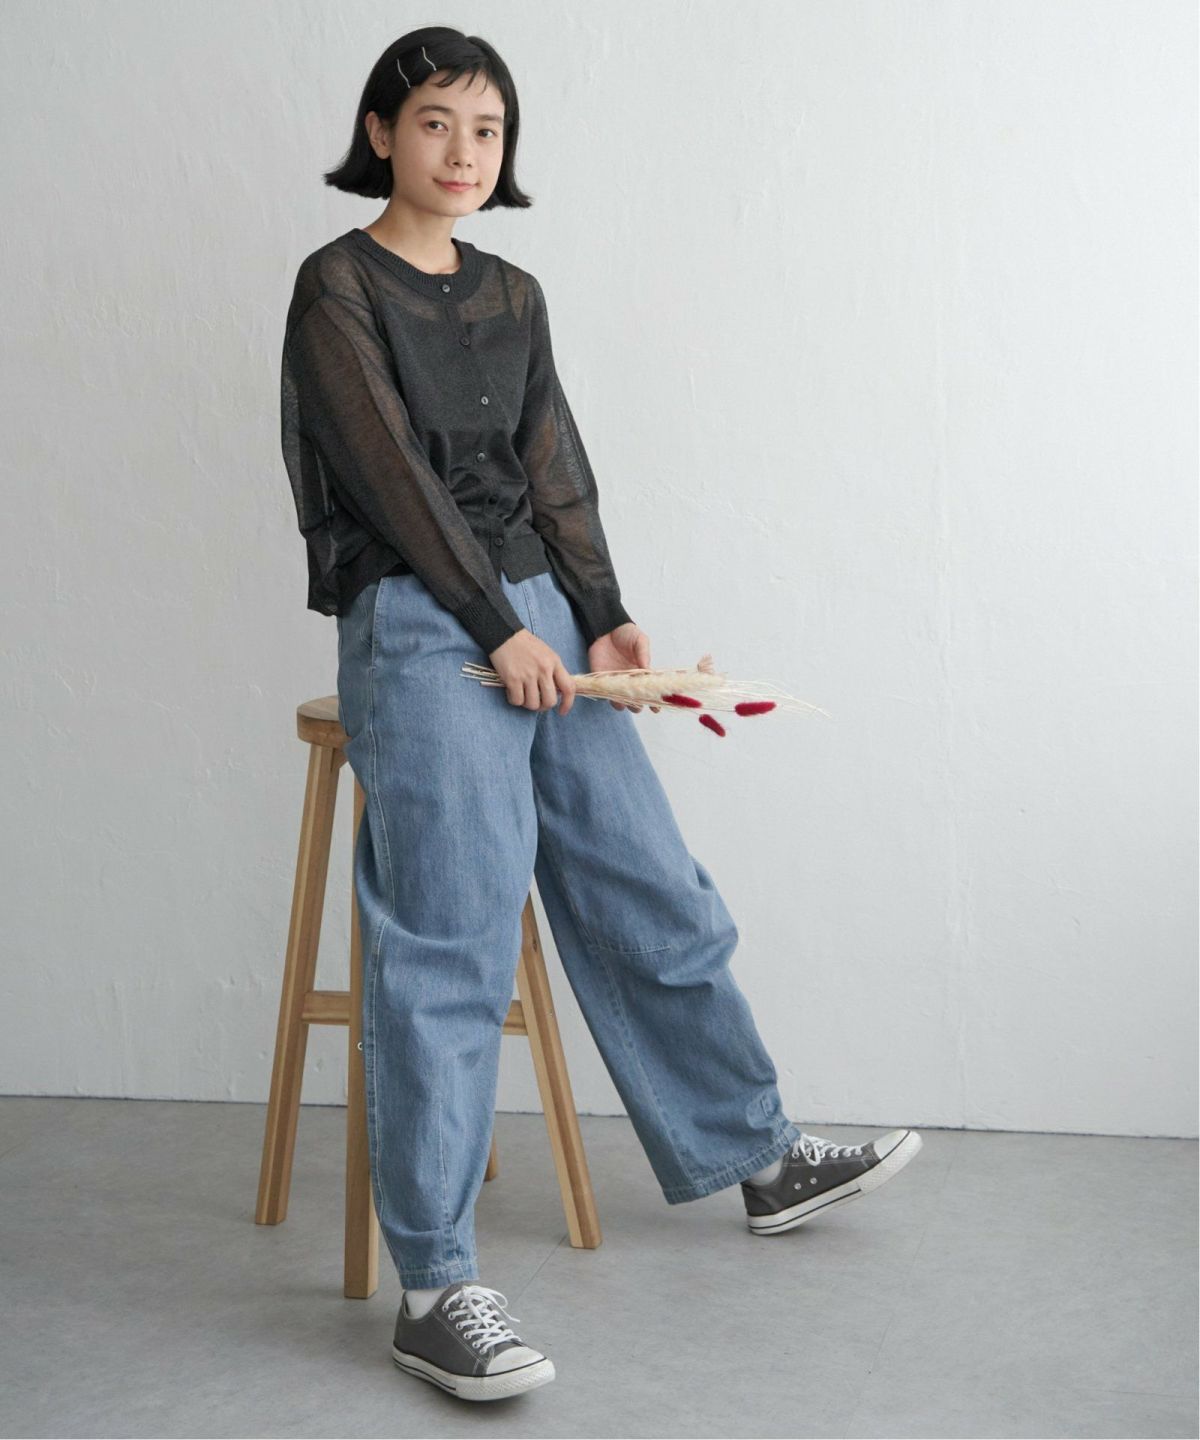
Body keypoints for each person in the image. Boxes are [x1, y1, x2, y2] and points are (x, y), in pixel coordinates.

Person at [279, 26, 923, 1404]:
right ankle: (436, 1287)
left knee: (646, 878)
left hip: (542, 615)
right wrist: (494, 625)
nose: (464, 151)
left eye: (488, 128)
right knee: (451, 935)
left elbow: (551, 463)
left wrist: (602, 610)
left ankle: (757, 1155)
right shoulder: (336, 287)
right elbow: (391, 480)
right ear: (382, 131)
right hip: (417, 617)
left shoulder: (513, 293)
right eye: (437, 122)